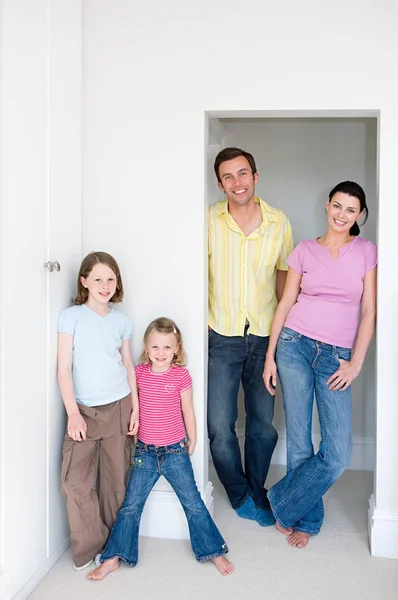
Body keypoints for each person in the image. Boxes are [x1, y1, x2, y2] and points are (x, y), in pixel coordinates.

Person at [263, 181, 377, 548]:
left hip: (336, 356)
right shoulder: (304, 251)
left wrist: (355, 363)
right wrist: (270, 357)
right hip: (294, 344)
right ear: (327, 206)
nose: (342, 215)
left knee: (337, 452)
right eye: (337, 206)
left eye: (351, 210)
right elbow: (284, 303)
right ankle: (306, 519)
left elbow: (369, 310)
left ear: (359, 215)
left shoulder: (365, 251)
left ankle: (280, 500)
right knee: (298, 436)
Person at [88, 317, 234, 580]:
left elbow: (187, 409)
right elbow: (133, 404)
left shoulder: (181, 375)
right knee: (131, 505)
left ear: (176, 348)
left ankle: (213, 550)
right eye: (155, 347)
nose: (161, 353)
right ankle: (114, 557)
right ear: (146, 346)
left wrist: (193, 438)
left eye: (167, 347)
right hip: (145, 452)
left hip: (175, 452)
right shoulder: (140, 373)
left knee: (193, 503)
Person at [208, 147, 293, 526]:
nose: (237, 183)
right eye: (228, 176)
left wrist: (279, 333)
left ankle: (257, 489)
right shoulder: (207, 221)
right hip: (220, 335)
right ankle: (239, 492)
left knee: (261, 424)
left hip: (263, 338)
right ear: (220, 183)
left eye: (243, 174)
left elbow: (283, 280)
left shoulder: (279, 223)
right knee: (219, 424)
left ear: (255, 177)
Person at [57, 251, 139, 570]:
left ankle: (113, 549)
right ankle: (90, 542)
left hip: (119, 406)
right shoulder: (71, 317)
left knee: (115, 483)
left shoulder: (122, 321)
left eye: (111, 278)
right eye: (98, 279)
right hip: (84, 411)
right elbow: (64, 369)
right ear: (84, 282)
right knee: (74, 483)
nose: (105, 285)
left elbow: (129, 366)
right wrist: (73, 414)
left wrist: (136, 410)